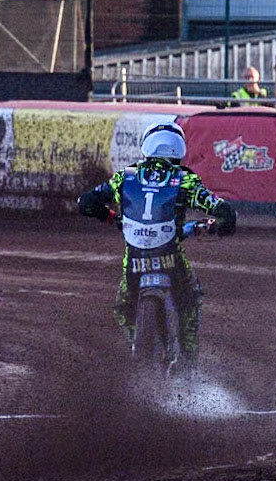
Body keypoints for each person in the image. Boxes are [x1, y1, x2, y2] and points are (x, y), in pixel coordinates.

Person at [76, 122, 237, 363]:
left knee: (123, 308)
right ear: (179, 150)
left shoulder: (125, 177)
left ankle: (135, 342)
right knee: (190, 301)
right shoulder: (185, 180)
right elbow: (222, 209)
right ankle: (187, 356)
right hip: (171, 258)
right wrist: (223, 223)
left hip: (134, 261)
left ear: (146, 147)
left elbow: (85, 203)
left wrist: (113, 219)